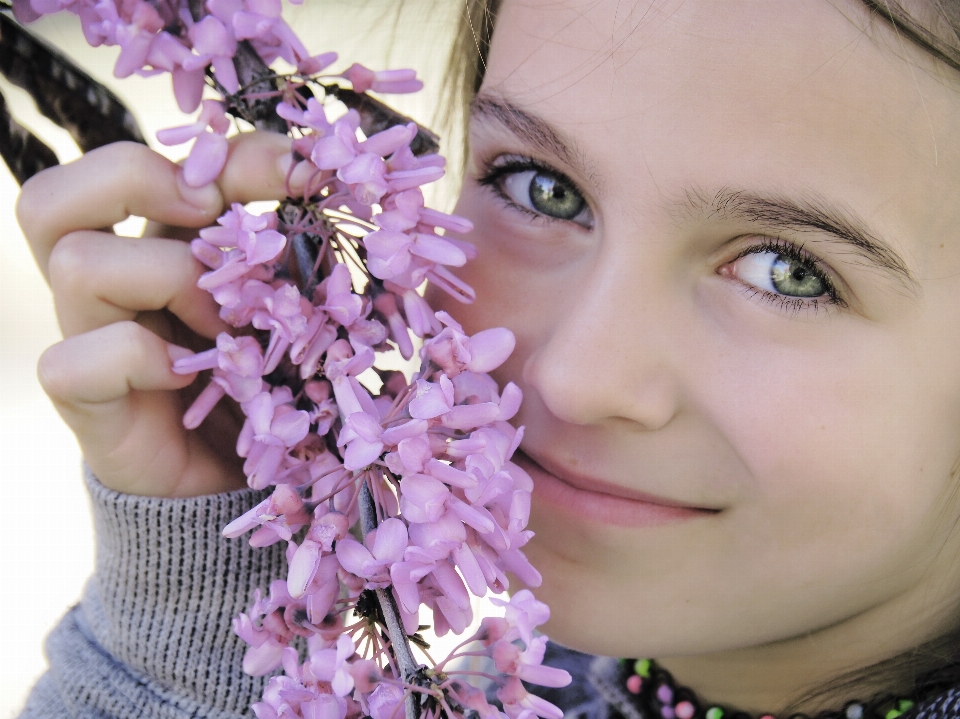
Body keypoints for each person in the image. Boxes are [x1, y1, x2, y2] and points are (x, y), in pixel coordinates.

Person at [15, 0, 960, 717]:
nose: (578, 378)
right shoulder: (495, 676)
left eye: (788, 270)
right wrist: (202, 613)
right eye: (542, 188)